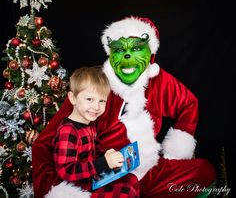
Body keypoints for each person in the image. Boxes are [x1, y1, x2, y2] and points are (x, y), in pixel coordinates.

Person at [32, 16, 216, 198]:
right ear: (111, 53)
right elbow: (43, 145)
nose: (127, 56)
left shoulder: (158, 80)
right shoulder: (94, 84)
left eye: (136, 48)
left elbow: (188, 103)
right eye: (119, 50)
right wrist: (57, 189)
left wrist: (176, 150)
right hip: (105, 174)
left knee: (203, 171)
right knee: (128, 189)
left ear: (150, 54)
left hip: (148, 168)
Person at [32, 66, 139, 198]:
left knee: (131, 180)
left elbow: (92, 153)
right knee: (126, 193)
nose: (96, 107)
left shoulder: (90, 125)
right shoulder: (68, 131)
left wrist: (107, 156)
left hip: (91, 178)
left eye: (102, 101)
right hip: (76, 187)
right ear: (73, 98)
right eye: (89, 99)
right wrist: (103, 163)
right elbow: (66, 171)